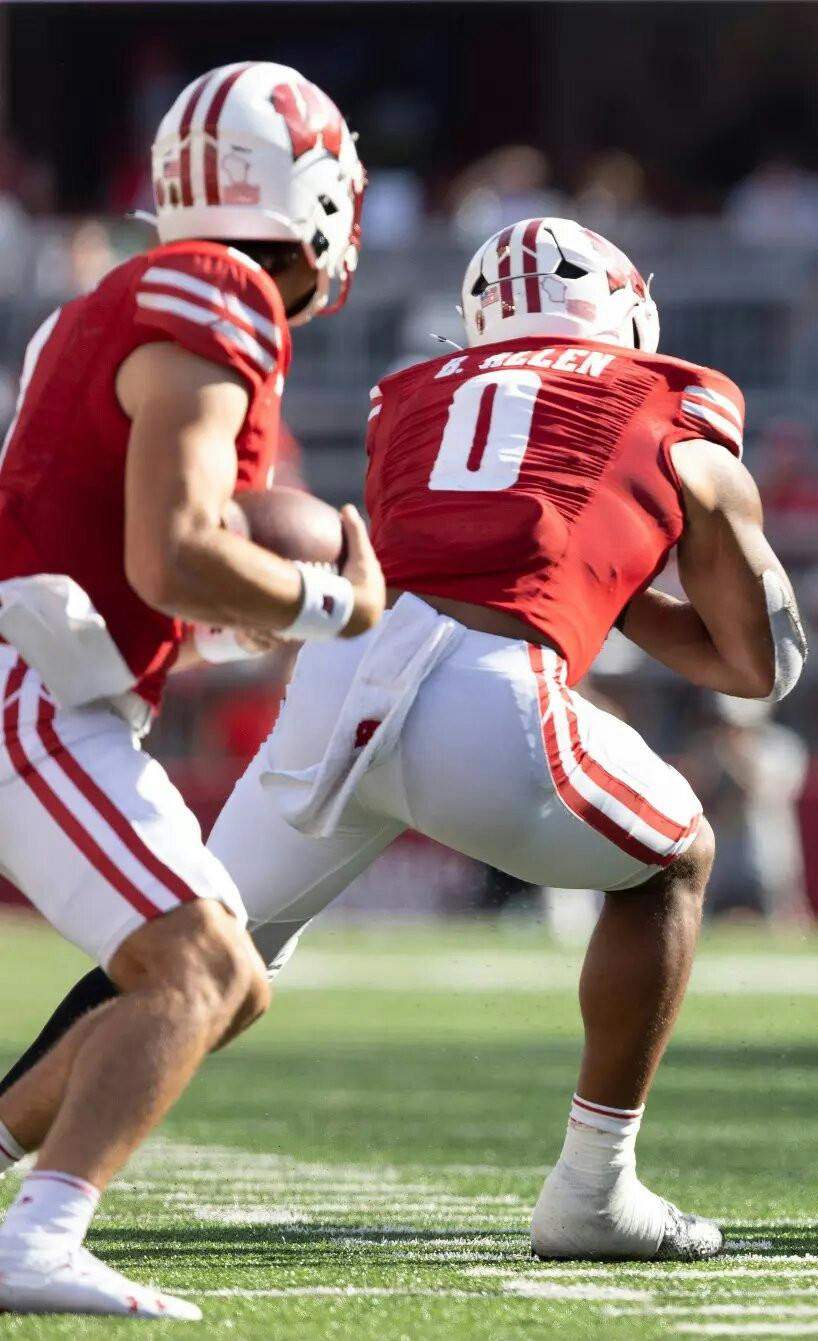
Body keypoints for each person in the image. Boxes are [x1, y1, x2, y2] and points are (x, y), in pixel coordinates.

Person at [2, 217, 806, 1264]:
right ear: (625, 306)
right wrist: (637, 583)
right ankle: (590, 1193)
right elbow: (759, 666)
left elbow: (472, 539)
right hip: (489, 700)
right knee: (674, 861)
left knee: (195, 955)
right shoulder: (674, 396)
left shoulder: (409, 399)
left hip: (343, 679)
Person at [0, 62, 377, 1318]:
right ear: (317, 194)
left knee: (229, 978)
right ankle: (38, 1240)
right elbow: (176, 552)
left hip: (62, 675)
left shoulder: (123, 295)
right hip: (32, 685)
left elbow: (153, 576)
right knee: (203, 966)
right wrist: (332, 604)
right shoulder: (214, 292)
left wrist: (234, 608)